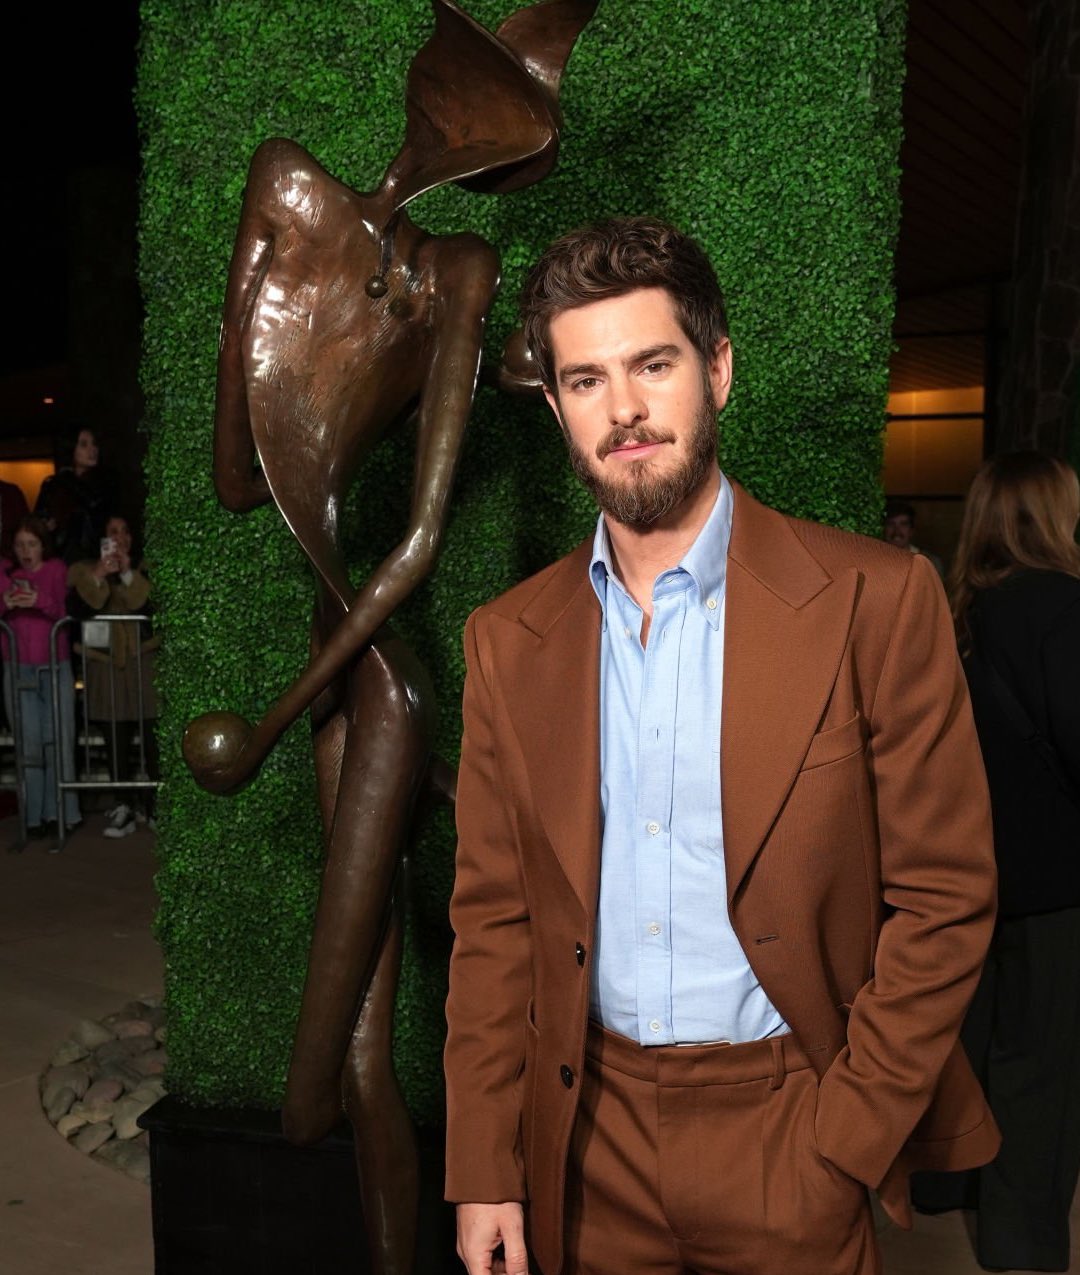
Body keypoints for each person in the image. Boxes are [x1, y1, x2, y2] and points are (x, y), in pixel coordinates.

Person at [443, 217, 1000, 1275]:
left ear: (718, 371)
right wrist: (484, 1167)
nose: (624, 408)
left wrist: (845, 1139)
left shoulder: (876, 601)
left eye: (653, 365)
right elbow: (494, 923)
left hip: (791, 1130)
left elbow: (946, 897)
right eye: (586, 380)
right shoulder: (508, 641)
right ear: (557, 407)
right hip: (587, 1142)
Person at [911, 452, 1080, 1273]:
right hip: (1056, 878)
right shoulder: (1065, 608)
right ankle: (1020, 1239)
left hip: (960, 873)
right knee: (1042, 1061)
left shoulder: (952, 614)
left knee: (965, 1040)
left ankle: (945, 1187)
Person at [68, 515, 159, 838]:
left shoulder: (147, 568)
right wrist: (99, 574)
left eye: (124, 531)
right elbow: (76, 609)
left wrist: (127, 573)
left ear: (131, 538)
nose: (118, 538)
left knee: (152, 738)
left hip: (142, 664)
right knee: (115, 739)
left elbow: (150, 606)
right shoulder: (84, 570)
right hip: (105, 668)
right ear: (102, 540)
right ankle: (124, 806)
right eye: (112, 532)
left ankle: (155, 805)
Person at [0, 516, 80, 838]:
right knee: (29, 744)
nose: (26, 551)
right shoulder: (6, 574)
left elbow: (65, 612)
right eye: (20, 545)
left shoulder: (56, 569)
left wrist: (39, 601)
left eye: (32, 544)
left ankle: (59, 813)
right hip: (18, 667)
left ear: (42, 545)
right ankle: (33, 817)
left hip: (55, 666)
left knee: (57, 740)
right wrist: (5, 603)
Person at [35, 426, 110, 564]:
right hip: (59, 560)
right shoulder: (53, 484)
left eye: (94, 444)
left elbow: (98, 510)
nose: (92, 449)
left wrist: (68, 477)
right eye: (84, 444)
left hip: (95, 561)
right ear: (70, 448)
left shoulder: (106, 482)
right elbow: (37, 522)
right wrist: (46, 526)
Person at [883, 499, 944, 577]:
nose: (897, 531)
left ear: (911, 530)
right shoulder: (876, 560)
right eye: (891, 524)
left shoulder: (930, 562)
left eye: (903, 524)